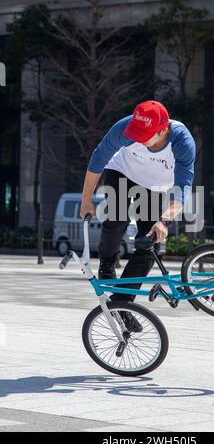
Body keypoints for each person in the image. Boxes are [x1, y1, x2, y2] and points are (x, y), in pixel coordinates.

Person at [80, 100, 196, 331]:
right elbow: (98, 160)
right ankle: (107, 266)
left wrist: (164, 220)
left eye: (145, 135)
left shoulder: (183, 142)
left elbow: (183, 186)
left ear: (163, 130)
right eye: (137, 133)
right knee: (117, 217)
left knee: (149, 243)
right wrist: (86, 199)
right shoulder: (123, 129)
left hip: (155, 187)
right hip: (121, 170)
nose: (139, 139)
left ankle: (122, 303)